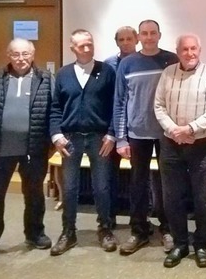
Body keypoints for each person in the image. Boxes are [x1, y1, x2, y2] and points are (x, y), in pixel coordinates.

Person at [0, 39, 54, 258]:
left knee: (34, 195)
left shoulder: (46, 79)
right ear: (8, 55)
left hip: (34, 149)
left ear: (33, 54)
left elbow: (53, 111)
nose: (21, 59)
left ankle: (35, 234)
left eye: (25, 54)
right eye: (15, 54)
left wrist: (50, 143)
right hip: (0, 149)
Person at [154, 33, 206, 269]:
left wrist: (190, 129)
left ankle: (201, 245)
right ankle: (180, 244)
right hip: (171, 144)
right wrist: (174, 130)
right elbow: (159, 105)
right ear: (178, 51)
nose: (190, 53)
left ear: (200, 50)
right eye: (185, 49)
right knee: (172, 198)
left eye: (194, 48)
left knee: (201, 199)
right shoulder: (167, 73)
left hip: (201, 145)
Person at [49, 29, 117, 256]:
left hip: (100, 138)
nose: (87, 49)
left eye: (90, 44)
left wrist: (111, 134)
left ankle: (105, 229)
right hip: (70, 138)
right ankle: (68, 232)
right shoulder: (63, 74)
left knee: (102, 186)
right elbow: (55, 108)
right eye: (81, 46)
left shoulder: (106, 71)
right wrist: (56, 135)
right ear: (72, 48)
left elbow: (115, 106)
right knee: (68, 188)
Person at [114, 20, 178, 255]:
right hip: (137, 133)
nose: (149, 37)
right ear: (139, 37)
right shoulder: (127, 64)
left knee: (167, 184)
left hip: (167, 133)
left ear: (160, 35)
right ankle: (139, 231)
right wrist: (121, 139)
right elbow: (119, 101)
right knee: (137, 184)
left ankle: (168, 229)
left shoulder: (171, 60)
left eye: (153, 33)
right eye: (145, 33)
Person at [105, 26, 138, 228]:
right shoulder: (109, 65)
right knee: (109, 176)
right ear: (116, 42)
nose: (125, 42)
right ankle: (109, 220)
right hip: (113, 129)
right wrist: (112, 132)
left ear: (136, 40)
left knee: (140, 177)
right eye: (121, 39)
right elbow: (110, 99)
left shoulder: (144, 62)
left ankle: (140, 220)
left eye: (129, 38)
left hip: (137, 129)